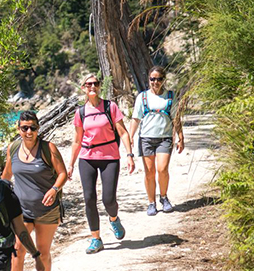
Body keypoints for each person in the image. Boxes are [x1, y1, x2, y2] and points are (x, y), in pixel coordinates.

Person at [0, 111, 68, 271]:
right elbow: (6, 175)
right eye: (24, 128)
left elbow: (62, 173)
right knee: (17, 250)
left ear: (38, 128)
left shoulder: (48, 149)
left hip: (47, 212)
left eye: (33, 128)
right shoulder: (13, 149)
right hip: (22, 212)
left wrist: (54, 190)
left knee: (42, 251)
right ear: (18, 129)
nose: (29, 132)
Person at [68, 73, 135, 253]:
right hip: (87, 157)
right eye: (88, 84)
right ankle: (96, 238)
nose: (92, 87)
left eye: (95, 84)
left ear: (99, 86)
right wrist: (71, 165)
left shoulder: (110, 107)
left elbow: (123, 132)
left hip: (109, 157)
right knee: (89, 198)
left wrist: (129, 155)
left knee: (108, 199)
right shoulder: (80, 113)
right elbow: (76, 140)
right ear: (83, 88)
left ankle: (113, 219)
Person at [128, 66, 184, 215]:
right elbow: (136, 118)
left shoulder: (170, 96)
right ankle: (151, 202)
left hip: (164, 138)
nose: (155, 82)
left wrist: (181, 137)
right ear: (149, 80)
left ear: (163, 80)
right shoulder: (142, 97)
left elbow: (176, 118)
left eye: (159, 79)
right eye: (152, 79)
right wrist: (130, 136)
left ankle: (164, 197)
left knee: (162, 169)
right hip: (146, 139)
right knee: (149, 173)